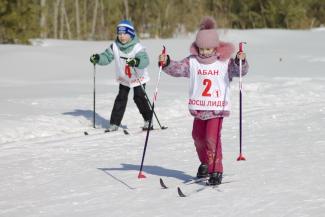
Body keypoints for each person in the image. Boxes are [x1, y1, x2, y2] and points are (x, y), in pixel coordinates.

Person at [159, 17, 249, 185]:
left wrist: (240, 60)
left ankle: (216, 169)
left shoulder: (224, 62)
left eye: (208, 49)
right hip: (199, 108)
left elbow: (239, 71)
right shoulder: (193, 62)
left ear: (215, 47)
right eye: (202, 48)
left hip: (216, 109)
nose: (205, 52)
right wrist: (167, 63)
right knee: (198, 137)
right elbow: (178, 69)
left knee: (211, 139)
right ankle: (206, 163)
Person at [90, 20, 152, 132]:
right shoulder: (115, 46)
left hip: (138, 77)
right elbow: (106, 57)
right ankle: (114, 123)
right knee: (121, 98)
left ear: (131, 34)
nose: (122, 36)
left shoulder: (137, 47)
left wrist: (136, 61)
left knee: (139, 97)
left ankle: (148, 119)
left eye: (125, 34)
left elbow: (145, 60)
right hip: (124, 77)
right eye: (119, 34)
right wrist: (98, 58)